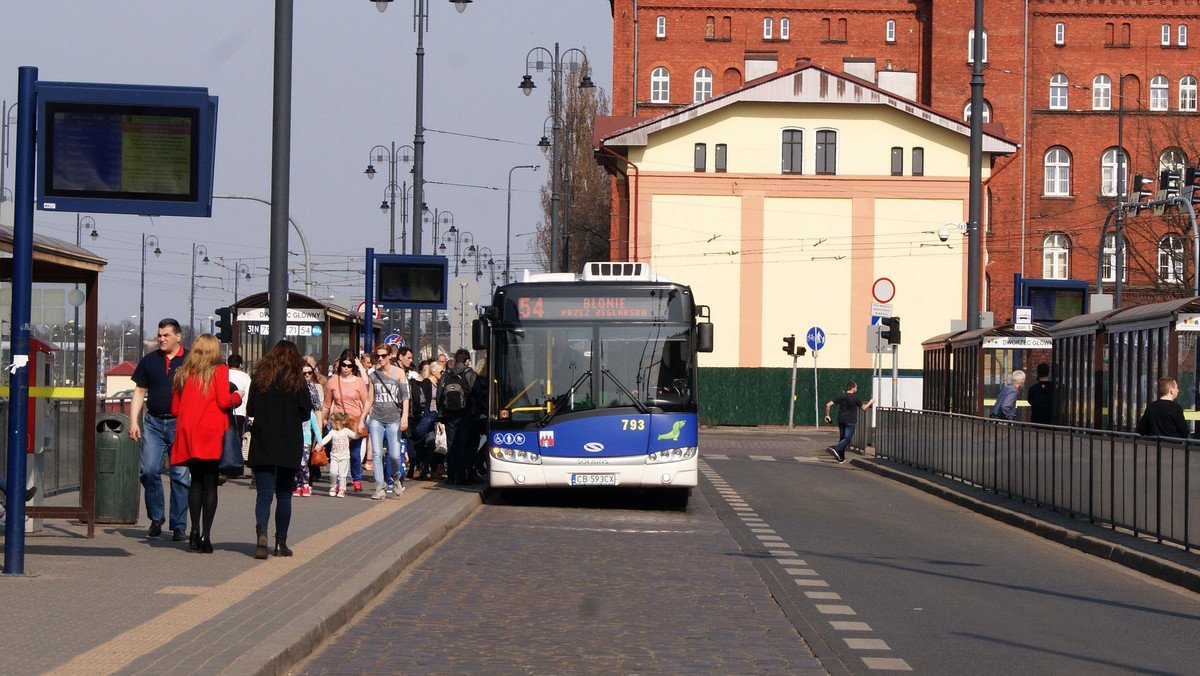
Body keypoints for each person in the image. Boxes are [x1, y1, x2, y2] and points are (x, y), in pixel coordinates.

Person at [170, 334, 243, 553]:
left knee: (195, 482)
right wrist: (237, 397)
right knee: (210, 483)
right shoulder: (219, 371)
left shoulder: (182, 373)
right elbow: (223, 400)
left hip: (189, 432)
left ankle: (192, 529)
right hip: (211, 431)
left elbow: (174, 408)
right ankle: (206, 536)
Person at [246, 340, 312, 559]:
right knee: (284, 494)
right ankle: (280, 543)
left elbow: (250, 408)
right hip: (288, 442)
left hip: (263, 440)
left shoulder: (260, 377)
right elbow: (305, 412)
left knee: (263, 493)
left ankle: (261, 535)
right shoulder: (297, 380)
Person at [129, 318, 190, 541]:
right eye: (159, 335)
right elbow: (139, 391)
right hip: (153, 423)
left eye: (166, 335)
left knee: (180, 475)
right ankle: (156, 518)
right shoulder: (149, 361)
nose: (161, 339)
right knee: (148, 471)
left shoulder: (190, 359)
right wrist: (134, 421)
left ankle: (179, 525)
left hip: (180, 424)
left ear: (178, 336)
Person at [323, 349, 372, 492]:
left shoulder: (358, 382)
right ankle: (339, 480)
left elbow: (366, 402)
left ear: (353, 367)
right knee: (338, 453)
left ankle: (356, 479)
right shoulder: (333, 381)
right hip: (338, 423)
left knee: (355, 455)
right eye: (344, 365)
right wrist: (322, 419)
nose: (346, 368)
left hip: (355, 421)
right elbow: (327, 404)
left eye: (349, 365)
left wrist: (368, 419)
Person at [366, 344, 410, 499]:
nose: (380, 359)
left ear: (390, 356)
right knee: (377, 453)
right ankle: (379, 486)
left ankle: (396, 477)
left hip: (393, 419)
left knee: (394, 455)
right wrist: (362, 418)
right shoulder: (373, 374)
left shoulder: (399, 373)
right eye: (378, 356)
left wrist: (404, 416)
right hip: (376, 417)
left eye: (383, 355)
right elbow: (370, 398)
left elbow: (405, 397)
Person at [438, 348, 478, 485]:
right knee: (462, 445)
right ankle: (460, 476)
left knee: (451, 445)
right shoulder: (471, 374)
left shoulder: (447, 374)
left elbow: (439, 394)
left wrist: (441, 414)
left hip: (449, 415)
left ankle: (450, 476)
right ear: (467, 361)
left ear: (455, 360)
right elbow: (476, 395)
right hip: (466, 415)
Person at [823, 381, 874, 463]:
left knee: (842, 438)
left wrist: (827, 415)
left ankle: (841, 458)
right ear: (852, 388)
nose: (856, 389)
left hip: (841, 419)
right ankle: (836, 448)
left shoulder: (841, 396)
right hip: (850, 420)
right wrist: (870, 402)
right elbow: (863, 408)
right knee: (848, 439)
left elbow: (828, 405)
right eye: (856, 387)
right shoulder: (855, 398)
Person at [321, 412, 359, 497]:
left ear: (337, 423)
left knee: (343, 474)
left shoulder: (346, 431)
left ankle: (342, 488)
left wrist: (358, 432)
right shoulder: (332, 432)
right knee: (333, 472)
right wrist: (319, 445)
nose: (331, 425)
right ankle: (333, 487)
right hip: (334, 456)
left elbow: (355, 436)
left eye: (332, 423)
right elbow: (325, 440)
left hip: (344, 457)